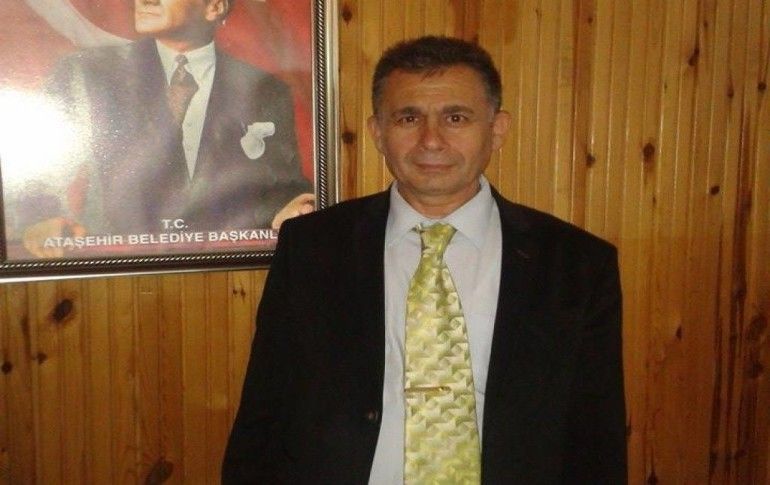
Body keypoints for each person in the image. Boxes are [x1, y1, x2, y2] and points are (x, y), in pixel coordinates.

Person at [222, 36, 627, 483]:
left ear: (497, 129)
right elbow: (264, 413)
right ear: (378, 133)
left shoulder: (576, 265)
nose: (431, 140)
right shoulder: (312, 249)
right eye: (408, 118)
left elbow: (595, 437)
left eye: (456, 118)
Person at [18, 0, 314, 256]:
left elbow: (280, 187)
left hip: (225, 269)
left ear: (214, 7)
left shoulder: (265, 89)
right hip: (114, 271)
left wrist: (295, 207)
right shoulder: (85, 72)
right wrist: (40, 220)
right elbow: (33, 172)